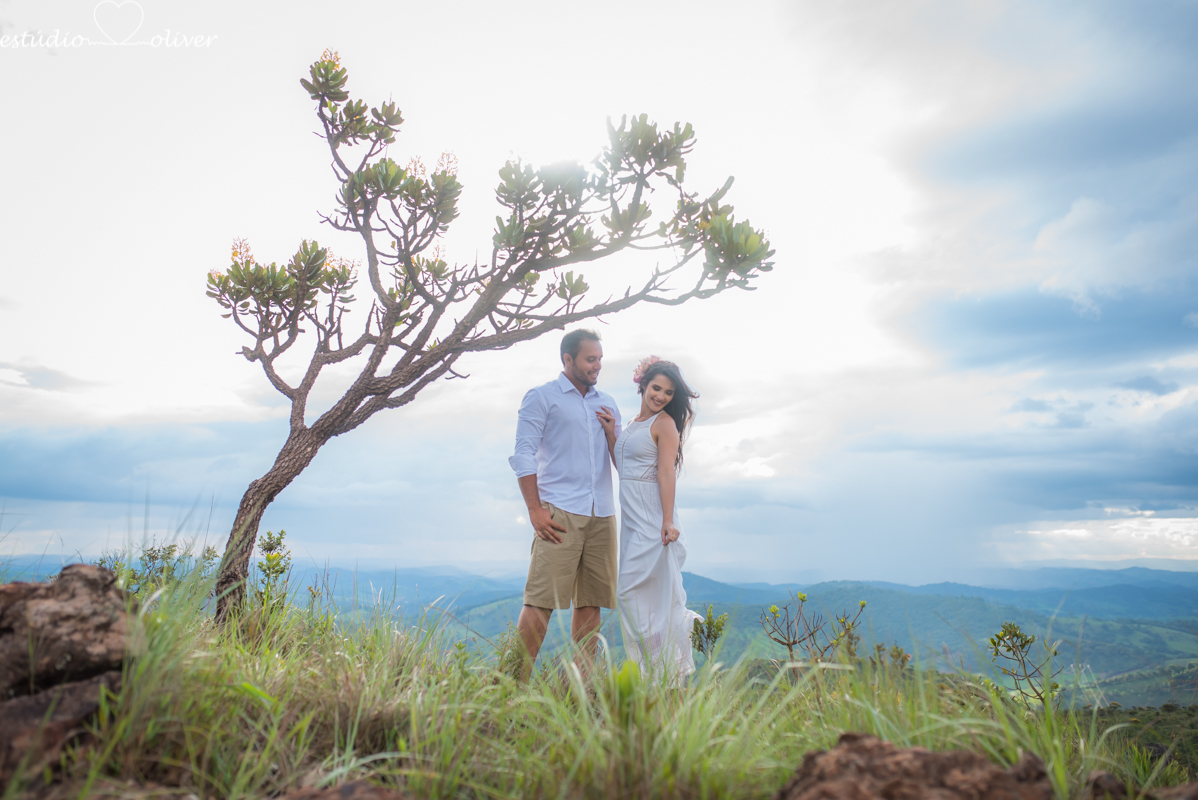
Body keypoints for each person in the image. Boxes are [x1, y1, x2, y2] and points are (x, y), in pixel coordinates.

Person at [509, 329, 622, 680]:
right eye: (591, 359)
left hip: (602, 513)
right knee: (540, 601)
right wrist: (534, 510)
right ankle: (510, 684)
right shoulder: (542, 397)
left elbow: (622, 463)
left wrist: (612, 433)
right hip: (558, 513)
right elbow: (523, 454)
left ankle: (582, 687)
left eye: (600, 359)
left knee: (591, 603)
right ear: (568, 359)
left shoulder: (608, 403)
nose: (597, 366)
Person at [597, 356, 702, 684]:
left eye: (669, 392)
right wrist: (612, 434)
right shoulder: (633, 425)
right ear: (642, 385)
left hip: (654, 521)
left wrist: (668, 521)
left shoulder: (664, 424)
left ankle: (666, 665)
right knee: (633, 596)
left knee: (636, 593)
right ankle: (652, 670)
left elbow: (666, 472)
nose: (661, 396)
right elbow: (625, 469)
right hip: (632, 520)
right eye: (657, 388)